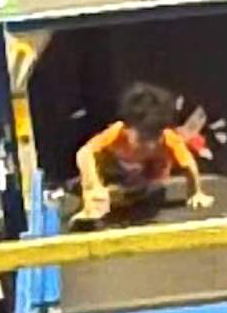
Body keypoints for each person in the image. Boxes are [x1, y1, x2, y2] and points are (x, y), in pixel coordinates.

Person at [71, 82, 214, 226]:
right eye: (144, 137)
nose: (151, 144)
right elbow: (85, 153)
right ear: (128, 127)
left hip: (144, 181)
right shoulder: (116, 132)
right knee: (91, 180)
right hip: (112, 173)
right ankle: (94, 206)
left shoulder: (169, 139)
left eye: (155, 136)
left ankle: (114, 200)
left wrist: (195, 192)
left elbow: (189, 165)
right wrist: (93, 186)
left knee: (148, 190)